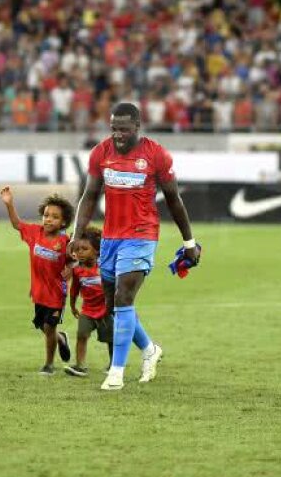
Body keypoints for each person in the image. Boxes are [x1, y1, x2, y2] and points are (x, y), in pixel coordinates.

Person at [72, 101, 201, 391]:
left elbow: (173, 200)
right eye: (114, 128)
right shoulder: (100, 153)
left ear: (137, 127)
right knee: (112, 305)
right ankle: (149, 349)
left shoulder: (156, 155)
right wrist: (77, 235)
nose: (118, 135)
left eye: (124, 130)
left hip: (142, 235)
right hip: (111, 238)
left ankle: (116, 373)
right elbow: (89, 195)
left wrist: (189, 242)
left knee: (123, 297)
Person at [0, 186, 74, 375]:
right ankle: (61, 339)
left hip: (57, 293)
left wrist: (71, 269)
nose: (49, 219)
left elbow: (76, 261)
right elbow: (17, 224)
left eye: (55, 216)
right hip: (39, 291)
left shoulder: (66, 242)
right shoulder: (35, 233)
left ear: (64, 221)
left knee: (49, 327)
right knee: (44, 326)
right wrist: (9, 204)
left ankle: (49, 364)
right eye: (46, 215)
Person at [63, 228, 112, 377]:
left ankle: (113, 364)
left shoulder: (104, 267)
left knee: (111, 339)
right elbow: (74, 290)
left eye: (85, 249)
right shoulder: (77, 271)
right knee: (81, 335)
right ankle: (80, 366)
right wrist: (72, 305)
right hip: (88, 311)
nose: (80, 252)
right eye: (77, 249)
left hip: (106, 311)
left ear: (97, 251)